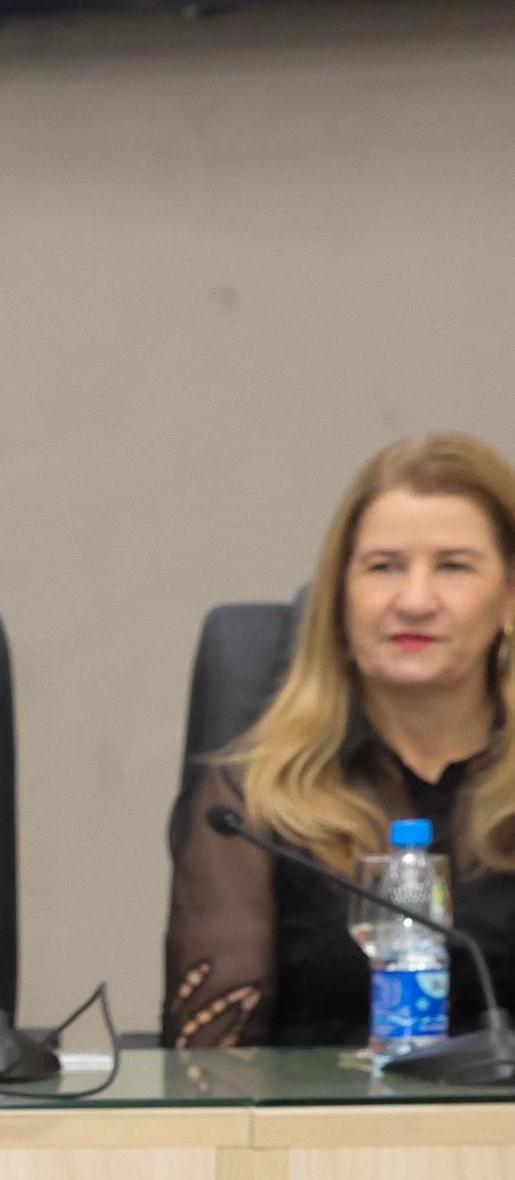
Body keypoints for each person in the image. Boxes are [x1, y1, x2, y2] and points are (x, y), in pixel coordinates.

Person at [166, 433, 515, 1047]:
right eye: (384, 567)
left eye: (453, 566)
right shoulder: (251, 804)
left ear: (510, 598)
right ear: (340, 597)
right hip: (316, 1142)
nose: (414, 601)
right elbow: (209, 1070)